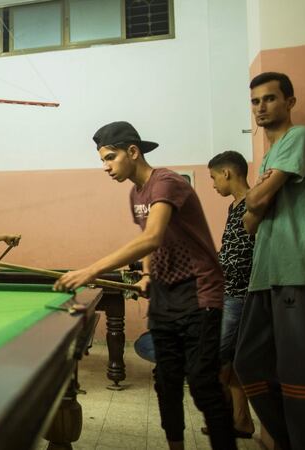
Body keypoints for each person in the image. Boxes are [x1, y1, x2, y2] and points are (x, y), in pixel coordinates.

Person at [54, 121, 236, 449]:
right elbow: (151, 239)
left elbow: (152, 236)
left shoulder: (166, 183)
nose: (105, 166)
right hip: (166, 294)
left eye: (110, 158)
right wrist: (149, 275)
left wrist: (91, 269)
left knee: (202, 382)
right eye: (102, 160)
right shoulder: (135, 193)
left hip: (199, 290)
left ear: (133, 152)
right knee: (165, 382)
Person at [234, 72, 305, 450]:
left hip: (294, 268)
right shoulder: (269, 154)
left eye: (270, 99)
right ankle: (284, 437)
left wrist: (259, 194)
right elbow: (249, 221)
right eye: (255, 102)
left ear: (289, 102)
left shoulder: (299, 137)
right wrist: (260, 194)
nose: (261, 107)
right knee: (247, 362)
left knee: (297, 374)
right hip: (264, 273)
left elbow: (255, 203)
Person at [206, 151, 255, 439]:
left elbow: (247, 255)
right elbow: (229, 250)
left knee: (216, 359)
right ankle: (241, 422)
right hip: (227, 291)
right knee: (232, 361)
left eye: (213, 177)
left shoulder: (254, 203)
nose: (213, 184)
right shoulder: (234, 206)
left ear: (226, 173)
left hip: (240, 293)